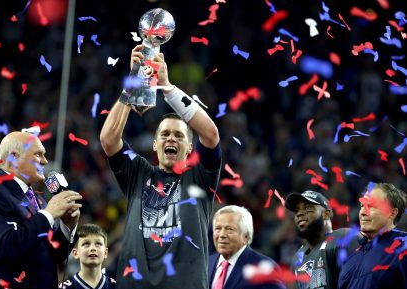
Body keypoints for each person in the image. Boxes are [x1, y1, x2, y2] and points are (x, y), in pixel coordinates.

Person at [100, 44, 221, 289]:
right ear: (155, 145)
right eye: (164, 135)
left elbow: (210, 134)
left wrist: (166, 87)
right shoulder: (138, 172)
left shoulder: (200, 177)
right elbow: (108, 140)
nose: (171, 139)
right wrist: (132, 84)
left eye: (179, 136)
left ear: (189, 148)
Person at [0, 131, 82, 289]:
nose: (45, 161)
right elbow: (7, 246)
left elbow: (52, 254)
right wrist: (48, 215)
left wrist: (67, 227)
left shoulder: (38, 200)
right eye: (38, 154)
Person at [285, 190, 361, 289]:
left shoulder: (344, 238)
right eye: (296, 211)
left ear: (326, 214)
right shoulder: (297, 259)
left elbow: (362, 281)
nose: (299, 214)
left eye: (307, 208)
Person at [338, 183, 407, 289]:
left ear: (392, 213)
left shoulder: (404, 246)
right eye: (362, 206)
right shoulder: (349, 260)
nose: (362, 212)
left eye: (371, 206)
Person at [208, 205, 286, 289]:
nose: (222, 235)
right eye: (218, 229)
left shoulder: (265, 268)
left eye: (229, 229)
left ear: (245, 236)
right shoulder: (206, 263)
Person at [59, 224, 115, 289]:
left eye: (98, 244)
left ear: (105, 253)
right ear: (75, 253)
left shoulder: (117, 286)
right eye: (86, 244)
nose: (93, 248)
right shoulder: (64, 288)